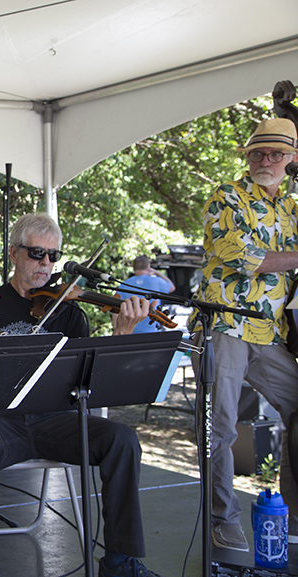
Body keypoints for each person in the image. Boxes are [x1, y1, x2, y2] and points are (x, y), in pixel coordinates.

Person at [0, 213, 162, 577]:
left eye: (53, 256)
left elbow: (95, 382)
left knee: (122, 439)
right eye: (36, 253)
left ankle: (121, 560)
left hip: (57, 420)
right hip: (1, 423)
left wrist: (121, 335)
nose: (46, 264)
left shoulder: (70, 313)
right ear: (14, 253)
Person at [190, 117, 298, 551]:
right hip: (226, 324)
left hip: (272, 333)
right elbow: (249, 258)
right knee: (221, 428)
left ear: (292, 160)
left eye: (275, 153)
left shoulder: (292, 208)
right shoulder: (227, 196)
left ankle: (294, 514)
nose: (265, 160)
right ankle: (223, 518)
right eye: (257, 152)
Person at [112, 255, 175, 334]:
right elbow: (172, 287)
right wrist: (156, 272)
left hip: (129, 331)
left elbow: (116, 310)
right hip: (151, 332)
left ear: (134, 268)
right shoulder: (156, 281)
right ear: (148, 267)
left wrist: (115, 329)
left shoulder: (125, 284)